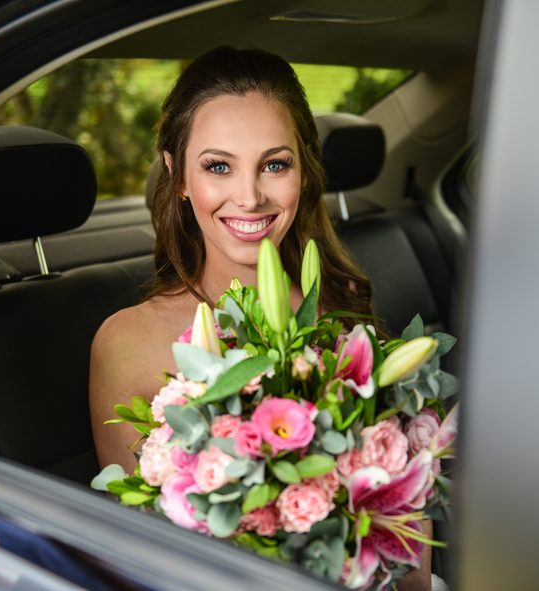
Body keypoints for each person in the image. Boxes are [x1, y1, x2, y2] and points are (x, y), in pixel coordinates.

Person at [89, 46, 431, 590]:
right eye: (218, 166)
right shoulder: (130, 340)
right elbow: (141, 556)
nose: (248, 198)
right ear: (177, 176)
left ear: (303, 169)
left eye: (274, 164)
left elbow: (406, 542)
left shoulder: (340, 317)